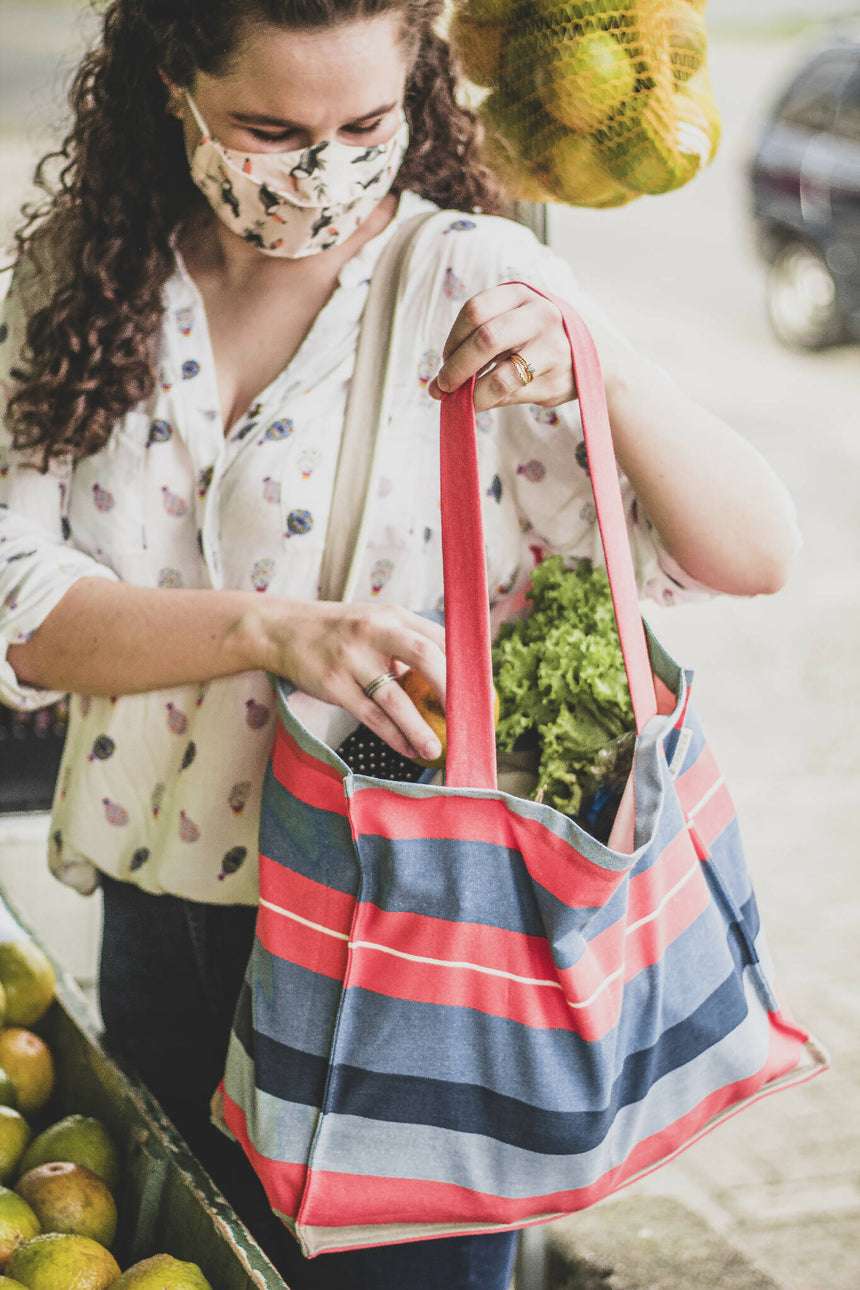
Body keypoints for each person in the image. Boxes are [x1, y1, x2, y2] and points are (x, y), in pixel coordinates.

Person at [0, 1, 800, 1286]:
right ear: (172, 86)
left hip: (419, 941)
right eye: (271, 128)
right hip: (168, 923)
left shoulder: (472, 283)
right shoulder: (79, 284)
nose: (324, 167)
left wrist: (603, 366)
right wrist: (271, 630)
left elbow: (752, 553)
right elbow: (22, 603)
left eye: (365, 125)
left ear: (417, 93)